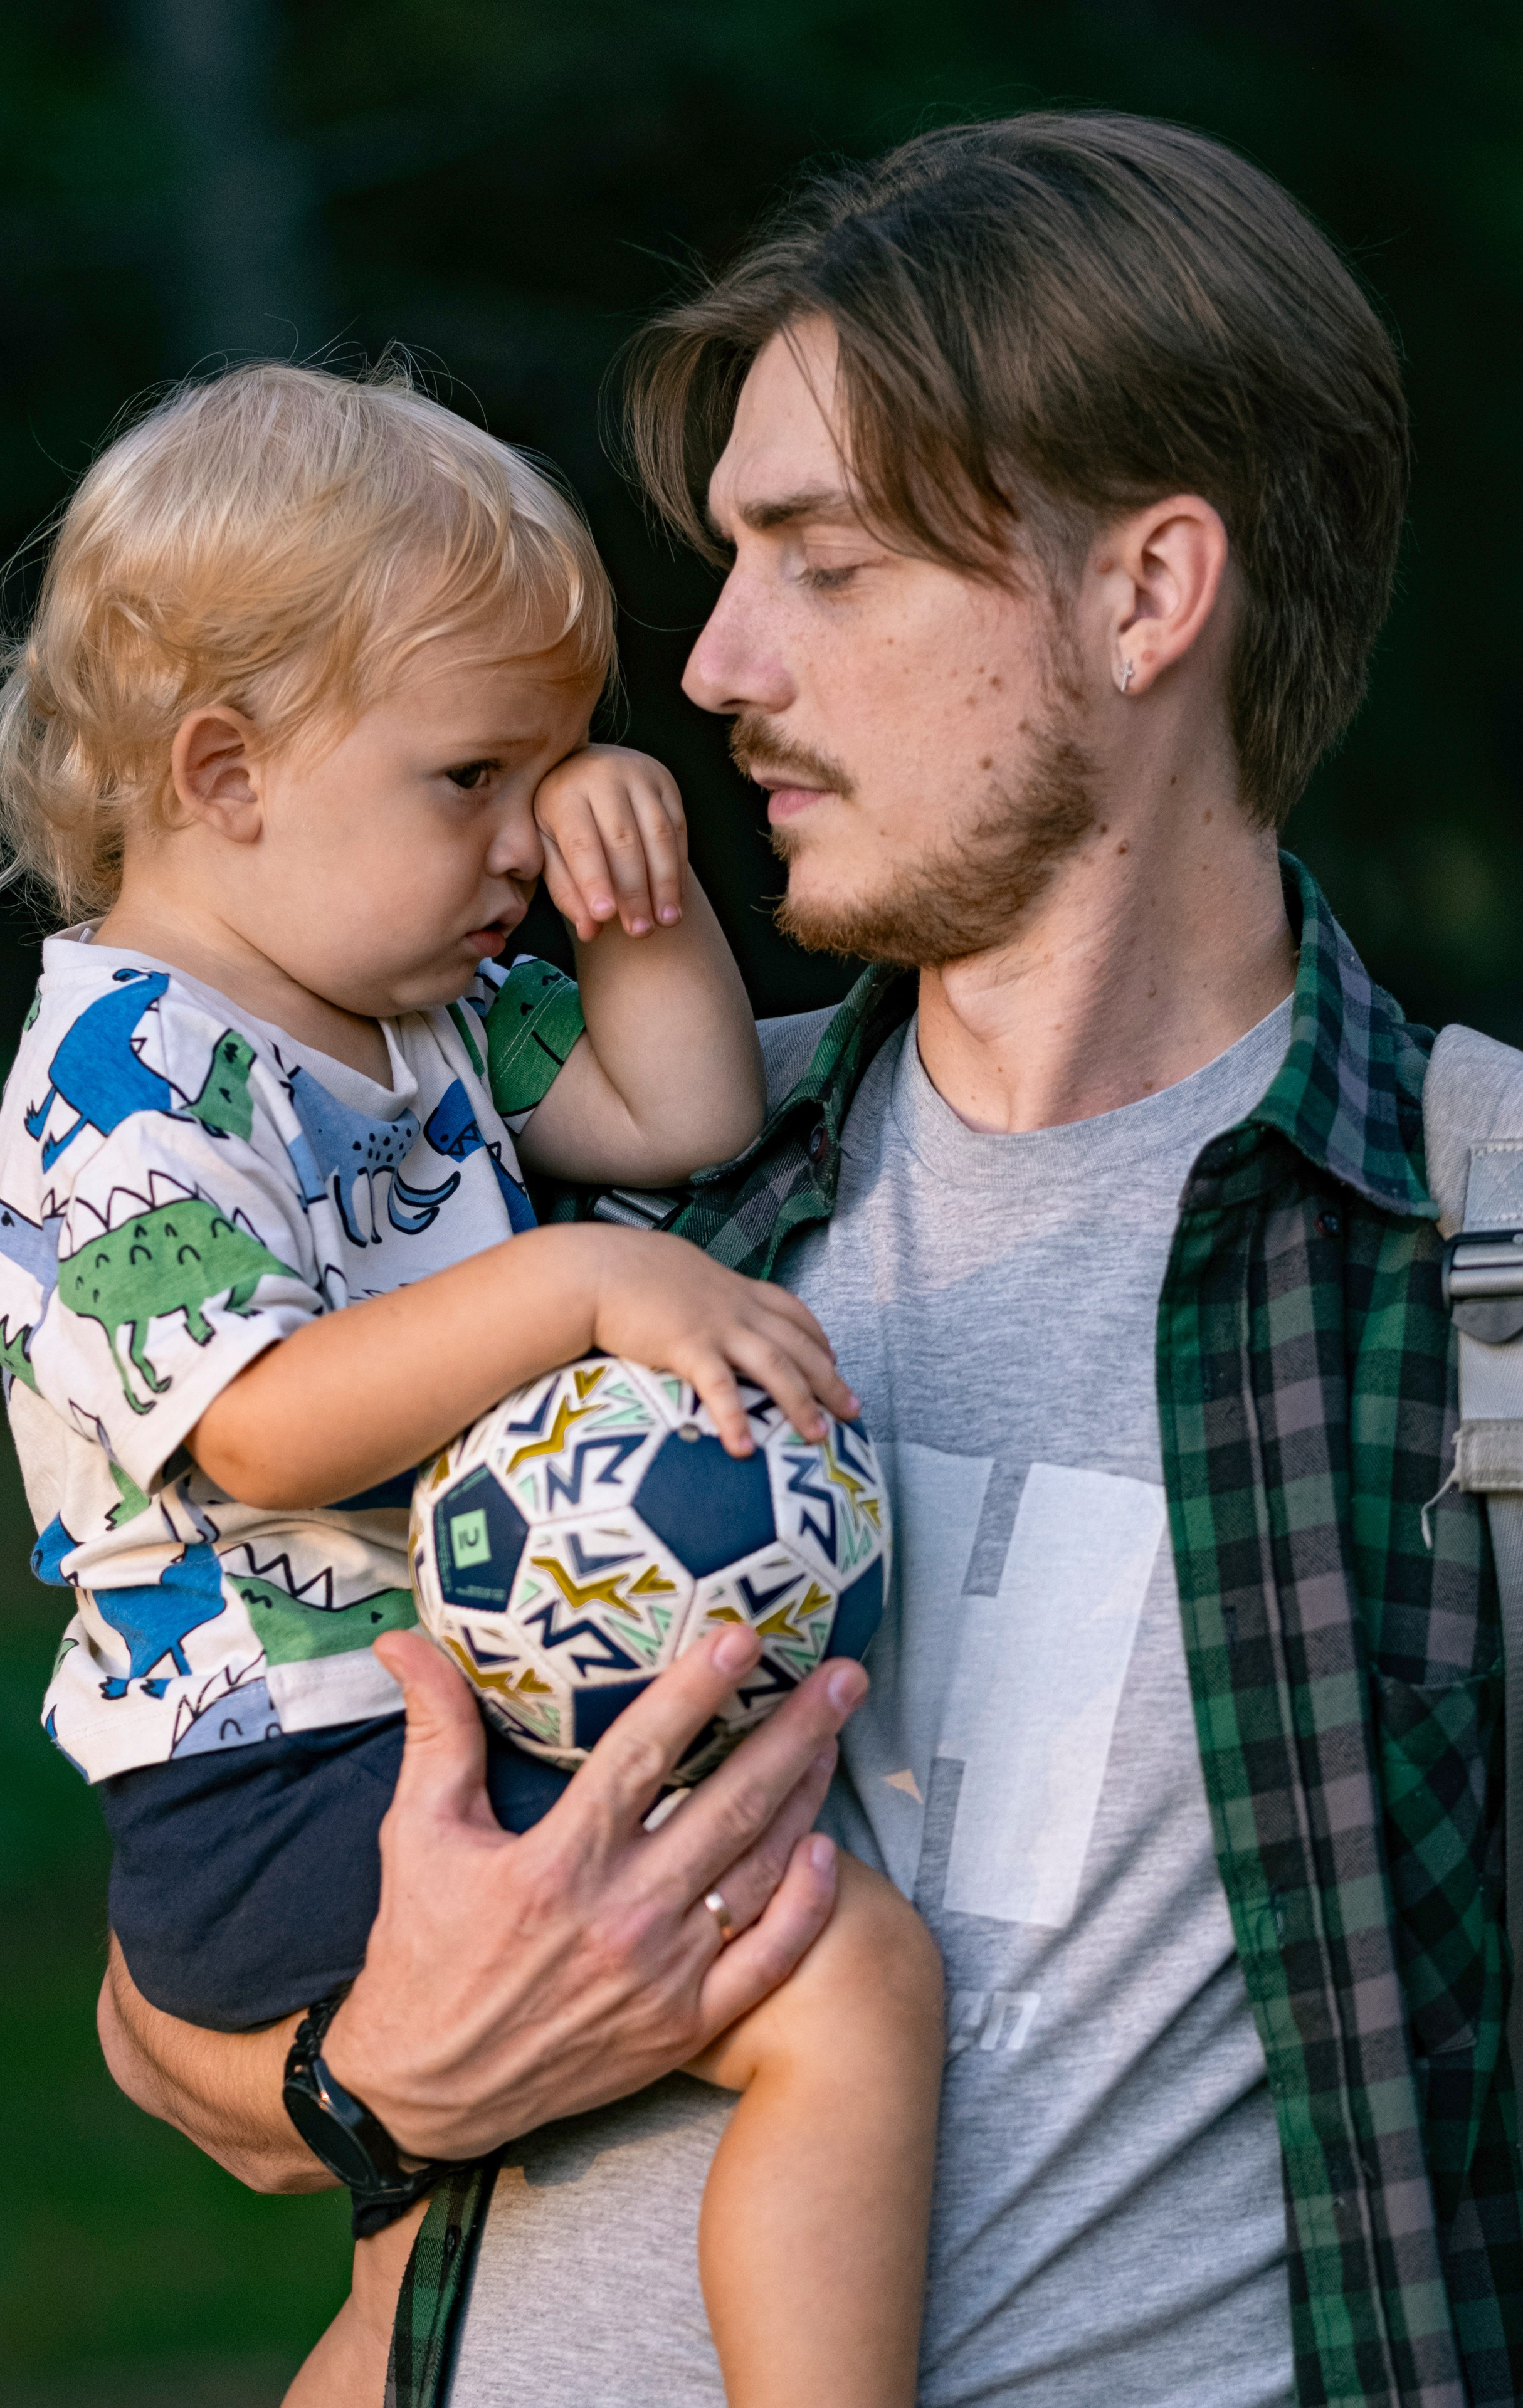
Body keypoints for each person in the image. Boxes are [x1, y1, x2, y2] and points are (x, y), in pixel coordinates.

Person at [98, 112, 1523, 2408]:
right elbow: (163, 1995)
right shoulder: (585, 1201)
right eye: (730, 557)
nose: (726, 660)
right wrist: (378, 2085)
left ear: (1151, 594)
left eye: (826, 563)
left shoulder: (1480, 1256)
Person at [0, 360, 944, 2408]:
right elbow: (259, 1422)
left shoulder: (420, 1016)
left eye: (547, 767)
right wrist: (578, 1279)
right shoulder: (121, 1088)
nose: (517, 835)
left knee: (435, 2274)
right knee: (845, 1976)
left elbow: (675, 1108)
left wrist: (623, 887)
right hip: (271, 1783)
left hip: (386, 1736)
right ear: (224, 771)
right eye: (472, 777)